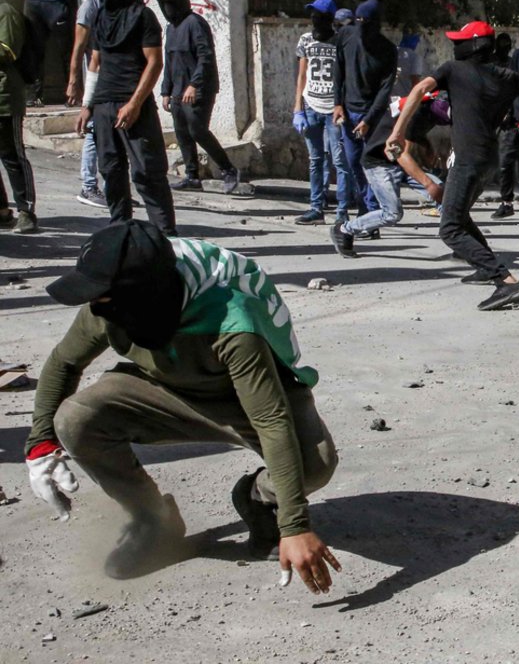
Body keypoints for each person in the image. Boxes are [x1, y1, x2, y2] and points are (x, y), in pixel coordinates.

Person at [26, 220, 340, 588]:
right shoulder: (108, 304)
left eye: (103, 298)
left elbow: (270, 419)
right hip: (164, 389)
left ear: (143, 295)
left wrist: (294, 525)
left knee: (314, 464)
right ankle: (154, 520)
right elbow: (65, 363)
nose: (95, 306)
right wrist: (40, 443)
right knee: (76, 420)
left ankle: (257, 499)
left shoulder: (229, 315)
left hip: (244, 398)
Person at [389, 21, 519, 310]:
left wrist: (398, 132)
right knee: (460, 217)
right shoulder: (506, 76)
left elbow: (419, 91)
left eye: (460, 41)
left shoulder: (453, 69)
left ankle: (506, 281)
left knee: (450, 228)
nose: (455, 46)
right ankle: (486, 268)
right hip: (489, 159)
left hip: (467, 159)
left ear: (474, 45)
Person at [74, 0, 176, 235]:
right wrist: (87, 105)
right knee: (110, 170)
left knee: (147, 173)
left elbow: (154, 63)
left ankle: (166, 238)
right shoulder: (99, 15)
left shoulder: (143, 16)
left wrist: (134, 103)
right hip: (103, 105)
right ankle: (120, 232)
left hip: (134, 106)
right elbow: (95, 62)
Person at [328, 89, 441, 260]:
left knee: (445, 195)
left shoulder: (422, 108)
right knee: (392, 214)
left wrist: (428, 149)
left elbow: (414, 136)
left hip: (398, 161)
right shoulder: (418, 111)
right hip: (380, 164)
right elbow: (402, 153)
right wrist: (428, 184)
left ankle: (459, 239)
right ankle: (345, 229)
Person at [157, 0, 240, 194]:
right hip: (177, 89)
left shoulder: (195, 23)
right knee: (182, 132)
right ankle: (192, 176)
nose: (168, 9)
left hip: (199, 89)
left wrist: (194, 84)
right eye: (165, 4)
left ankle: (228, 169)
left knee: (197, 130)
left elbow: (205, 57)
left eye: (171, 4)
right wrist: (166, 91)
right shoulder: (171, 28)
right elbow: (169, 61)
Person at [331, 0, 395, 218]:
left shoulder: (387, 50)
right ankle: (365, 204)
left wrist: (368, 120)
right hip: (348, 112)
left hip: (373, 116)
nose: (361, 25)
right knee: (353, 162)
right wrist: (337, 104)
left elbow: (385, 90)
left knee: (372, 165)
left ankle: (371, 211)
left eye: (365, 20)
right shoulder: (346, 36)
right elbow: (338, 70)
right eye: (357, 19)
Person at [292, 0, 351, 226]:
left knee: (340, 161)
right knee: (315, 159)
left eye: (319, 16)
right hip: (311, 106)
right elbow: (302, 75)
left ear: (330, 19)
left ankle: (342, 211)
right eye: (312, 15)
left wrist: (342, 105)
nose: (314, 19)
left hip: (333, 109)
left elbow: (346, 77)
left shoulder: (340, 41)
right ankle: (316, 207)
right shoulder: (306, 40)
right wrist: (298, 108)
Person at [0, 0, 38, 232]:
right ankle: (3, 211)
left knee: (12, 155)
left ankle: (26, 210)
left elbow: (8, 50)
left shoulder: (6, 13)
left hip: (4, 97)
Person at [68, 0, 104, 208]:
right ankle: (89, 186)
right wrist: (74, 81)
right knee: (92, 131)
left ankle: (112, 189)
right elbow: (79, 46)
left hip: (114, 82)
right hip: (96, 79)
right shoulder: (91, 6)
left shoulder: (119, 5)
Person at [491, 31, 519, 220]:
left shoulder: (516, 67)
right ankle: (507, 202)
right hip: (506, 122)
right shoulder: (491, 64)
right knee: (505, 162)